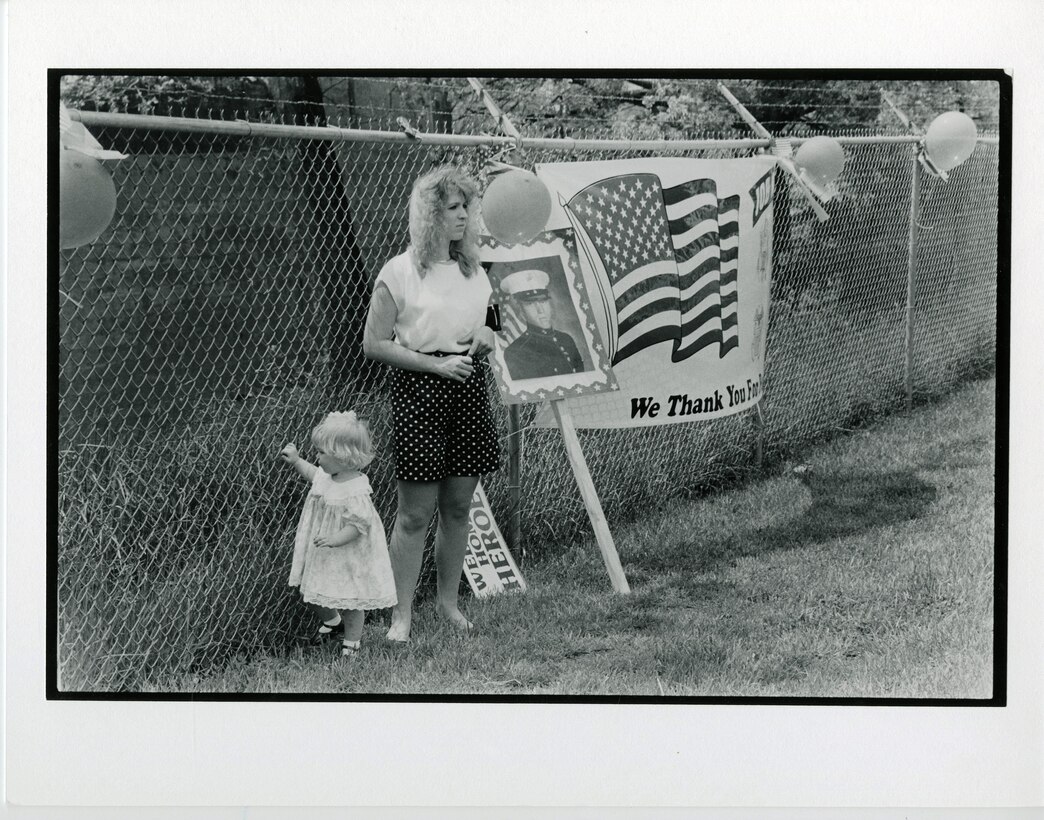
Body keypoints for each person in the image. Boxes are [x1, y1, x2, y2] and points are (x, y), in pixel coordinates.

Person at [362, 165, 501, 643]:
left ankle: (447, 603)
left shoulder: (474, 269)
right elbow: (374, 343)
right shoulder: (399, 272)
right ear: (430, 215)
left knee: (459, 507)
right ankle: (401, 616)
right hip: (420, 392)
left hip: (468, 386)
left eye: (467, 206)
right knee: (414, 514)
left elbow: (491, 319)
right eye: (453, 208)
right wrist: (433, 365)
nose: (464, 216)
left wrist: (487, 334)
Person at [279, 410, 396, 657]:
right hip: (323, 550)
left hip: (348, 552)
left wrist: (335, 539)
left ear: (343, 457)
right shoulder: (328, 474)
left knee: (350, 600)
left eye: (321, 453)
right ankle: (333, 623)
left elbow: (358, 525)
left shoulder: (355, 489)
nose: (317, 456)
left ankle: (352, 642)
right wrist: (297, 461)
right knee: (312, 592)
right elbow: (313, 474)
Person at [501, 268, 585, 380]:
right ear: (521, 311)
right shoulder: (515, 352)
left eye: (543, 301)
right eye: (530, 304)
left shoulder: (566, 340)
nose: (540, 310)